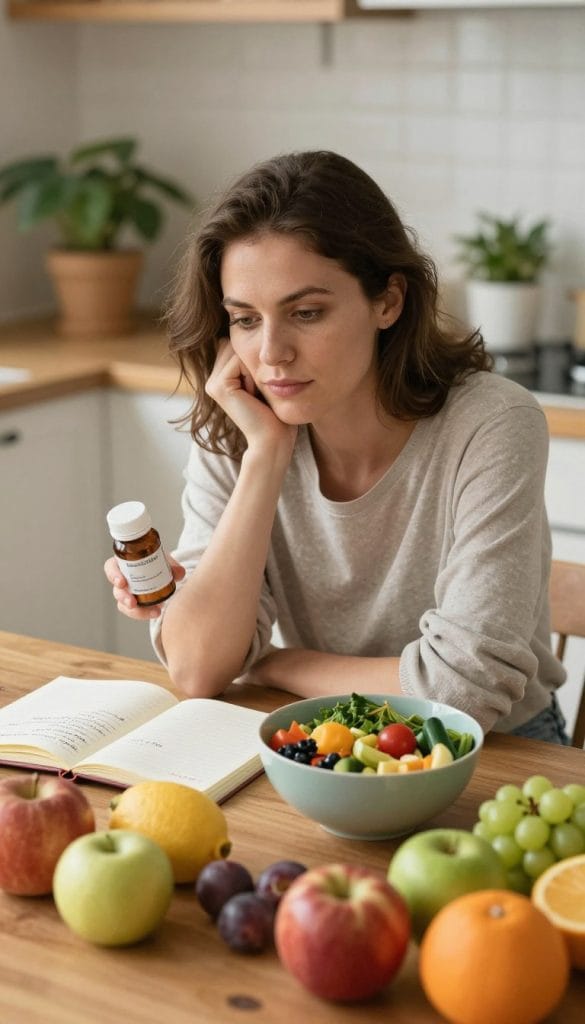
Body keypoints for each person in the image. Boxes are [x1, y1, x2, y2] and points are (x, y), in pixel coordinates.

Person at [104, 150, 569, 744]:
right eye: (245, 319)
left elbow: (462, 693)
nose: (271, 353)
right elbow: (196, 668)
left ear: (388, 301)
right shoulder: (244, 425)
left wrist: (280, 663)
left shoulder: (491, 422)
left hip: (498, 753)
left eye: (306, 312)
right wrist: (266, 456)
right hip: (324, 740)